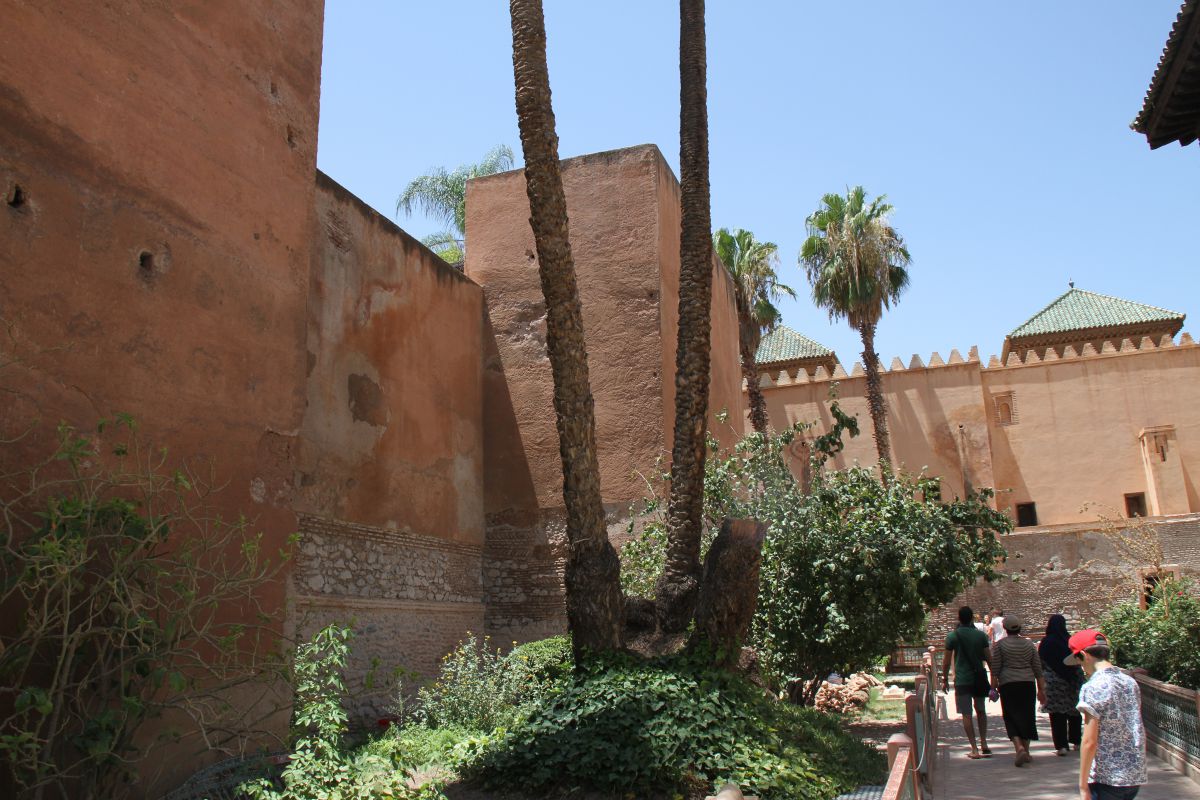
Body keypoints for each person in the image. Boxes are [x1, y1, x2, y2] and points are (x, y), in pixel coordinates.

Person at [1065, 630, 1146, 800]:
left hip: (1106, 778)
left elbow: (1089, 741)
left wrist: (1083, 785)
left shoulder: (1092, 687)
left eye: (1079, 661)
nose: (1081, 668)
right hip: (1134, 775)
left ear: (1083, 655)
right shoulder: (1130, 683)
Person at [990, 613, 1046, 767]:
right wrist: (1042, 689)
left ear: (1005, 628)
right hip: (1027, 683)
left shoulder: (1000, 645)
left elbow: (995, 668)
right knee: (1027, 715)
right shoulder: (1029, 644)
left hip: (1008, 683)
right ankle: (1026, 750)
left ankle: (1018, 747)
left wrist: (993, 687)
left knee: (1011, 715)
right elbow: (1037, 668)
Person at [941, 605, 992, 759]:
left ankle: (974, 749)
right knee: (981, 710)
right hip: (978, 677)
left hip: (962, 679)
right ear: (971, 618)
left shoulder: (952, 637)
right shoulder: (981, 636)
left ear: (959, 618)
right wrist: (995, 678)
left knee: (966, 714)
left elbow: (946, 661)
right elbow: (989, 659)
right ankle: (984, 743)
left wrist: (944, 679)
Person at [1039, 614, 1085, 755]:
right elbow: (1079, 659)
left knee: (1057, 714)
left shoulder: (1046, 642)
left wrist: (1041, 686)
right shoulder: (1070, 641)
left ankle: (1061, 746)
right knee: (1074, 711)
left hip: (1054, 682)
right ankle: (1076, 741)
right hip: (1073, 681)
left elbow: (1041, 663)